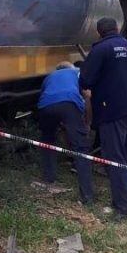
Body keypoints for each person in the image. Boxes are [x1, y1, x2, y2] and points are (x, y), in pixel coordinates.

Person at [79, 17, 127, 220]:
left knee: (115, 157)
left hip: (113, 109)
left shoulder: (100, 50)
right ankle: (124, 198)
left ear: (98, 32)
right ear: (118, 29)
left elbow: (85, 80)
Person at [36, 62, 94, 205]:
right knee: (81, 149)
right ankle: (87, 196)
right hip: (69, 102)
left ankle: (49, 178)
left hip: (45, 105)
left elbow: (46, 94)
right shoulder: (77, 71)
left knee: (47, 141)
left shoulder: (49, 76)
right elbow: (87, 96)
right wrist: (87, 123)